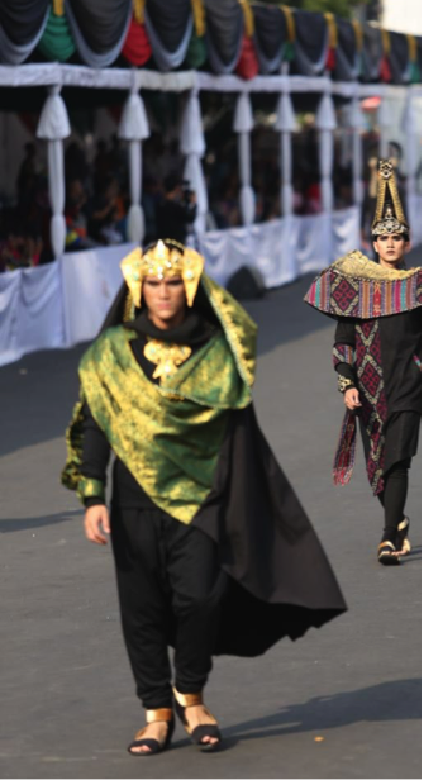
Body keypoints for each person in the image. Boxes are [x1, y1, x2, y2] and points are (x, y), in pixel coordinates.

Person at [62, 240, 346, 756]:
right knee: (141, 606)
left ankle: (190, 694)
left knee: (201, 597)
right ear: (138, 288)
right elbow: (99, 424)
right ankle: (156, 711)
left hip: (202, 496)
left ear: (189, 287)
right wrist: (91, 494)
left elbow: (240, 430)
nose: (163, 292)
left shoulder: (217, 350)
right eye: (153, 283)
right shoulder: (112, 352)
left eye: (173, 282)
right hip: (132, 497)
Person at [304, 161, 422, 565]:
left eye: (398, 237)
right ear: (373, 244)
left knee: (397, 459)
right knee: (378, 468)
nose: (391, 244)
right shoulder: (356, 287)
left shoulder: (420, 287)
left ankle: (388, 538)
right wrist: (346, 385)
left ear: (407, 243)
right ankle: (398, 521)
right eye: (384, 238)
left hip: (409, 388)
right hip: (367, 390)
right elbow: (343, 342)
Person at [154, 171, 196, 244]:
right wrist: (193, 204)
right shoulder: (176, 207)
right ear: (176, 189)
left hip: (163, 244)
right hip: (176, 244)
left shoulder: (159, 205)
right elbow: (190, 218)